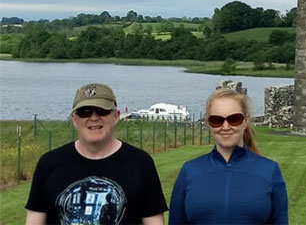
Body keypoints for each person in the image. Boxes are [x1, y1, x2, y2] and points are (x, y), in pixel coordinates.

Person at [25, 83, 168, 225]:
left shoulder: (141, 163)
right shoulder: (49, 164)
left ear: (116, 116)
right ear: (75, 119)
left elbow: (154, 221)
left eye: (101, 111)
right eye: (85, 112)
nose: (94, 118)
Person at [169, 88, 289, 225]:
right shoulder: (190, 171)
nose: (225, 126)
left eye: (234, 119)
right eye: (217, 120)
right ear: (208, 123)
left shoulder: (269, 171)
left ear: (246, 120)